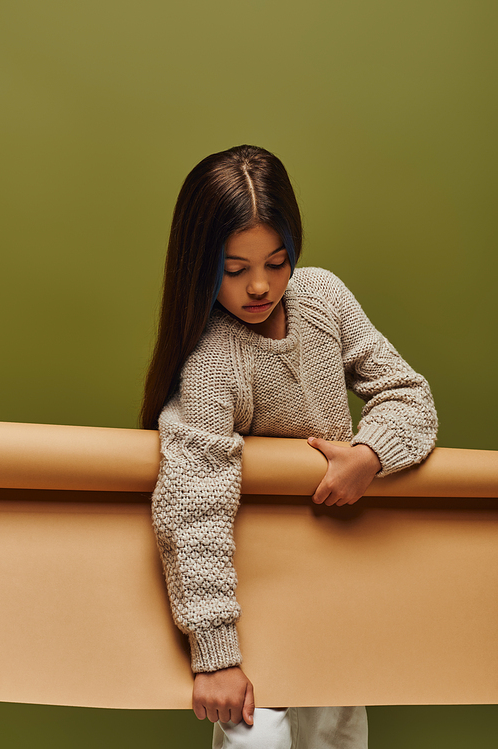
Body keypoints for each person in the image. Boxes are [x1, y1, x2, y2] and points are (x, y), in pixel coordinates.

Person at [141, 144, 438, 748]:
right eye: (234, 268)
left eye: (277, 263)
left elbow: (408, 393)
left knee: (339, 738)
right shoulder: (211, 362)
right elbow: (192, 507)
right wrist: (216, 653)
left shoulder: (323, 298)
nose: (259, 285)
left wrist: (371, 454)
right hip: (251, 604)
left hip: (333, 588)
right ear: (200, 263)